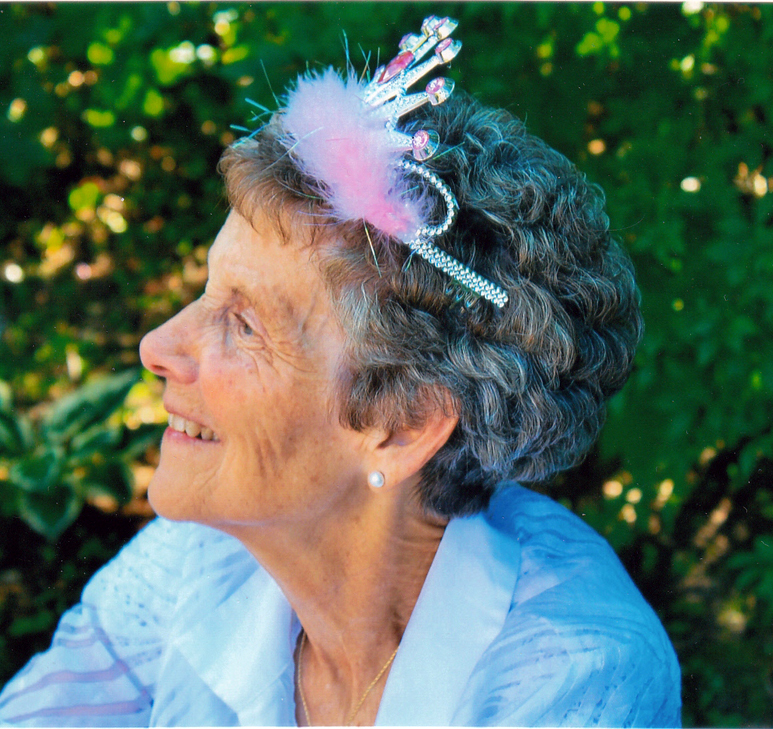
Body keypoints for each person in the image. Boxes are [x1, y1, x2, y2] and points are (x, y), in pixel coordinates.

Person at [0, 16, 680, 727]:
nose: (156, 345)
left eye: (244, 323)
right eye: (206, 293)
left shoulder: (571, 675)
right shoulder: (203, 554)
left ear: (401, 424)